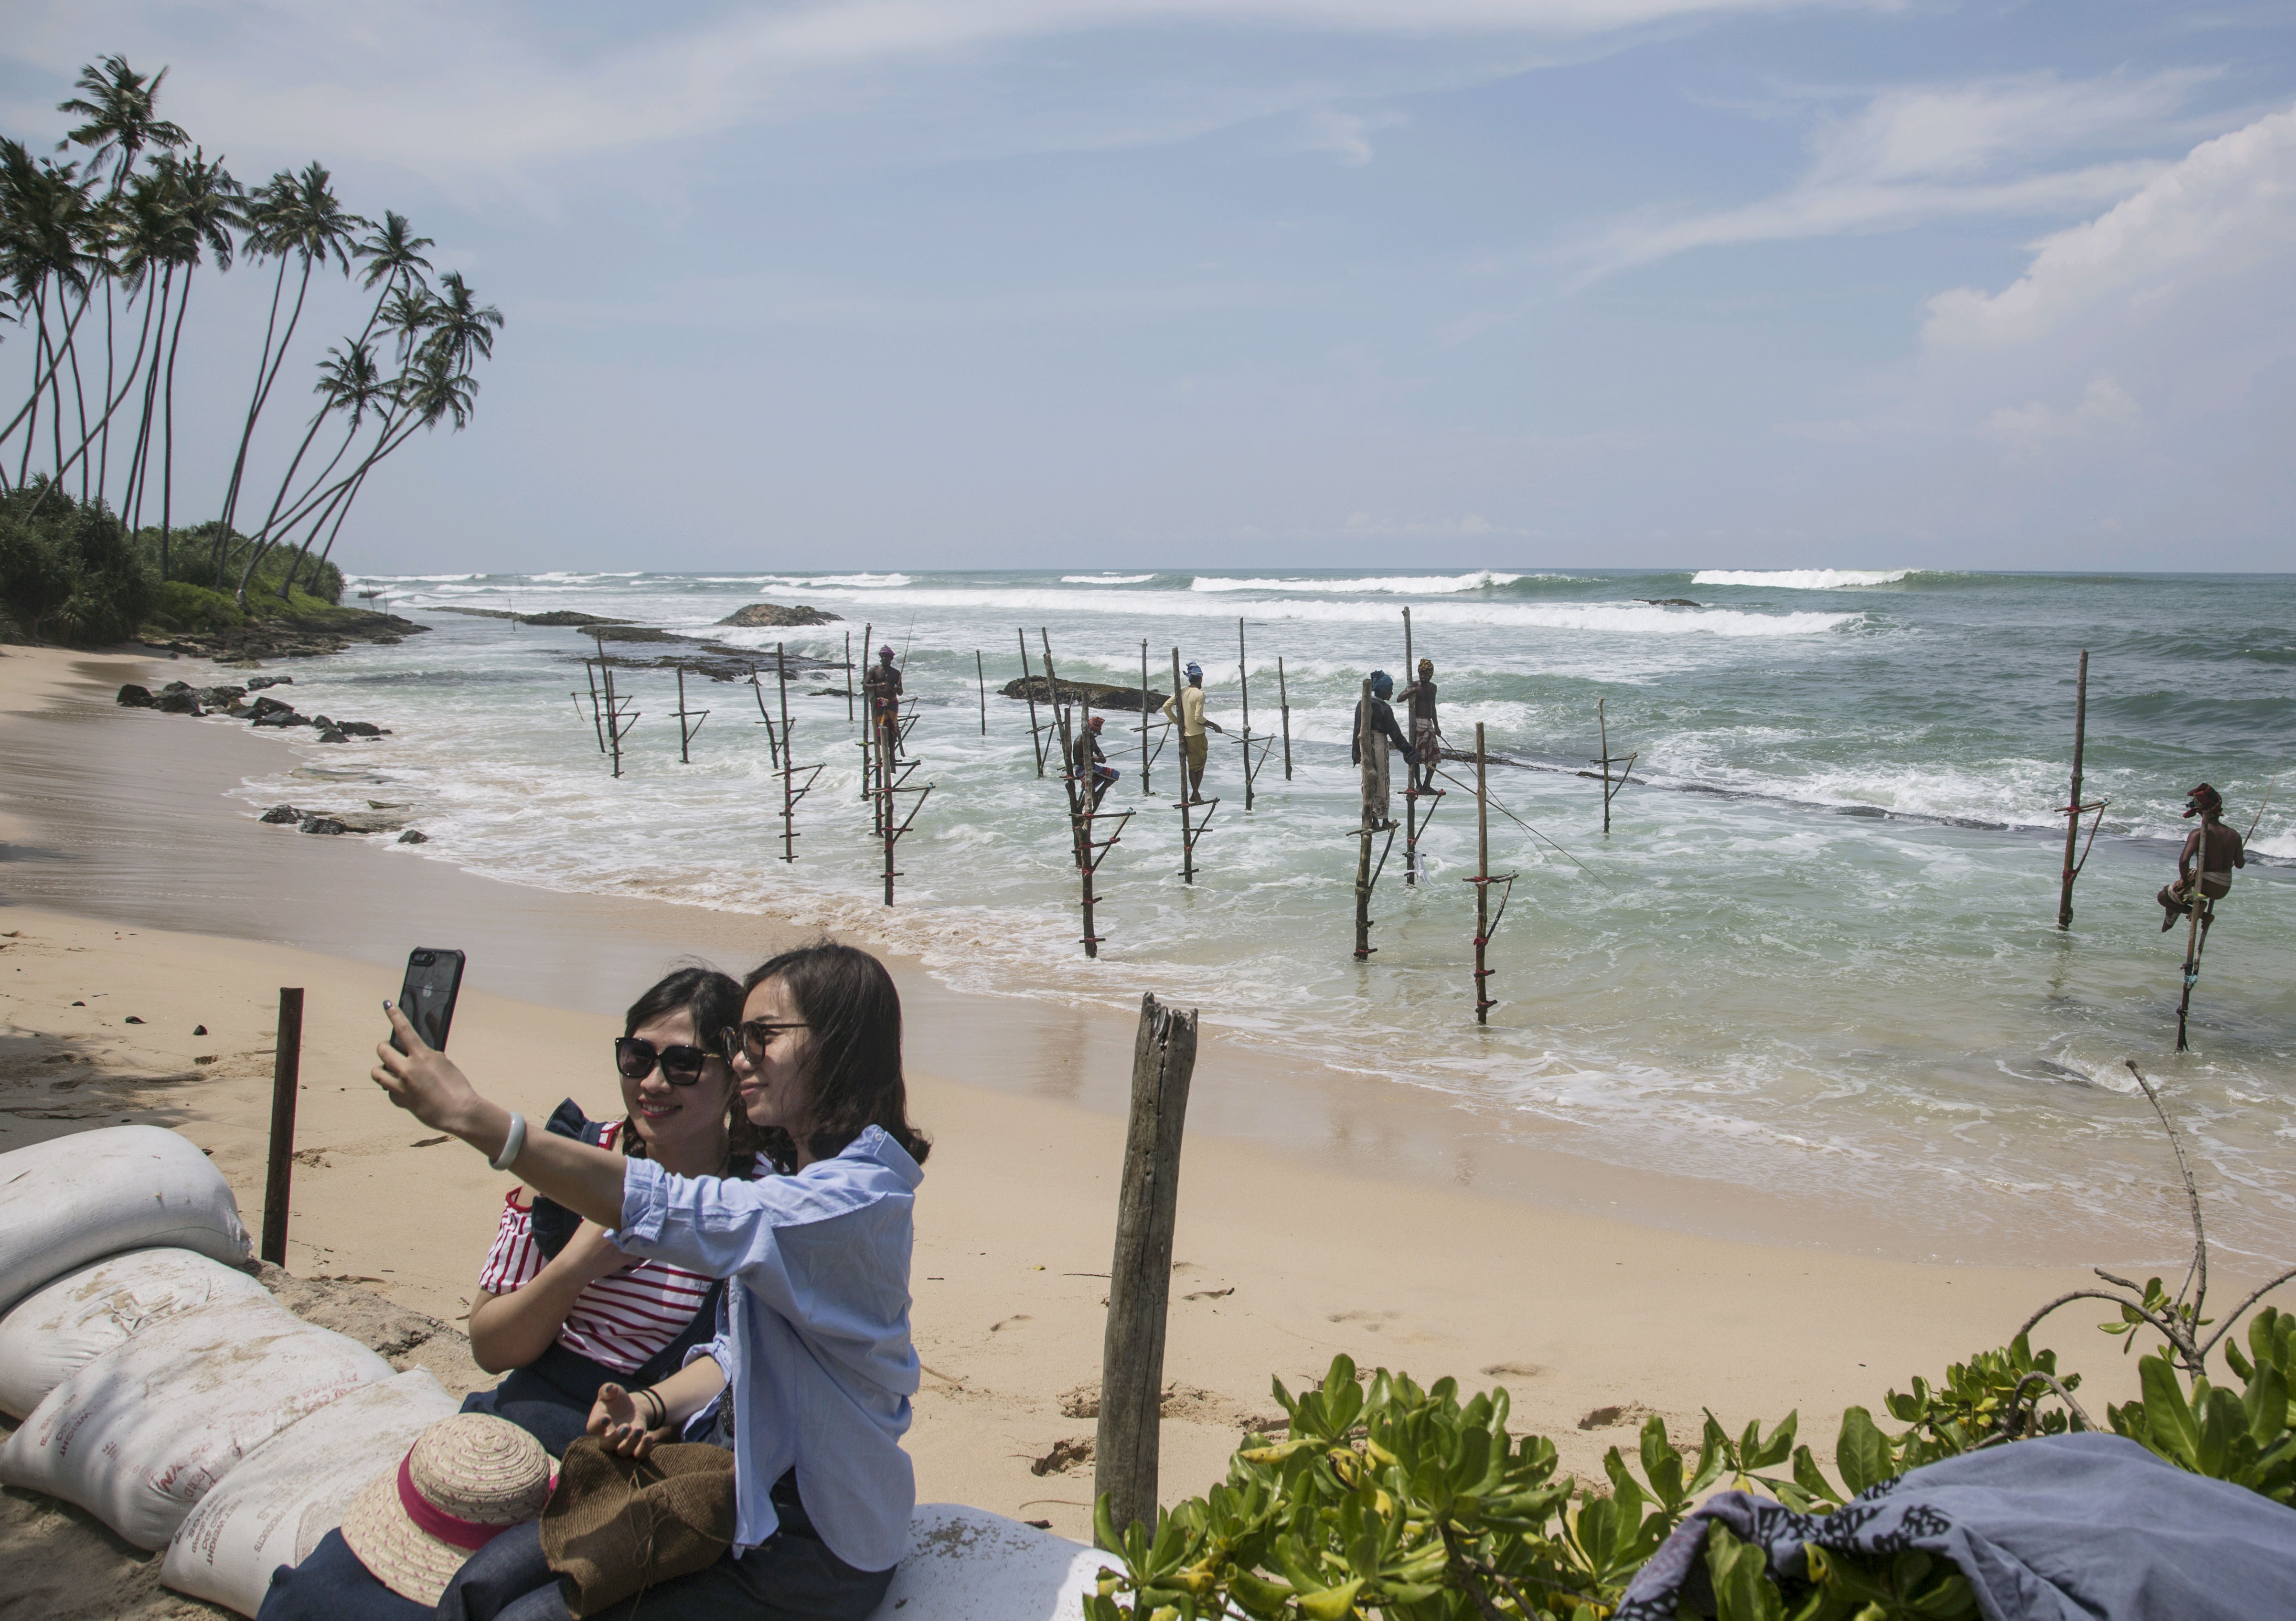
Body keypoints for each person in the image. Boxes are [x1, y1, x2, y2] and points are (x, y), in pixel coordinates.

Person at [374, 942, 931, 1621]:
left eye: (762, 1037)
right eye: (737, 1040)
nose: (741, 1059)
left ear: (836, 1046)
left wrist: (475, 1117)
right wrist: (651, 1403)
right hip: (733, 1482)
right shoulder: (806, 1181)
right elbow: (738, 1350)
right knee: (484, 1587)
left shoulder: (844, 1201)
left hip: (807, 1544)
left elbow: (671, 1205)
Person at [459, 967, 757, 1456]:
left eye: (683, 1064)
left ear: (733, 1075)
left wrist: (656, 1413)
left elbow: (748, 1359)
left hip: (650, 1449)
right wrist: (577, 1265)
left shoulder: (758, 1198)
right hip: (522, 1427)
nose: (653, 1083)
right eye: (638, 1057)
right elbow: (491, 1349)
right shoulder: (570, 1161)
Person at [2158, 783, 2245, 932]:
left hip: (2203, 888)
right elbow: (2240, 864)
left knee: (2163, 897)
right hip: (2223, 888)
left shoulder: (2199, 833)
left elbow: (2184, 861)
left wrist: (2185, 881)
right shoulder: (2234, 835)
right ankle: (2199, 909)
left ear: (2199, 811)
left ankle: (2204, 916)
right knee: (2186, 889)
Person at [1351, 670, 1412, 831]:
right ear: (1383, 690)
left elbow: (1357, 729)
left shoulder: (1362, 704)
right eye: (1390, 689)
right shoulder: (1385, 708)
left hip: (1365, 746)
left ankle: (1372, 820)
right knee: (1382, 782)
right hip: (1379, 744)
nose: (1391, 692)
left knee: (1368, 781)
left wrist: (1356, 752)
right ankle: (1384, 820)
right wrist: (1410, 752)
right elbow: (1396, 734)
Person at [1159, 661, 1226, 805]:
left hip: (1186, 734)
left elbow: (1166, 707)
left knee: (1192, 765)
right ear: (1200, 679)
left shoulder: (1182, 691)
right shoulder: (1200, 694)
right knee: (1200, 765)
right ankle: (1196, 795)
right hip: (1197, 735)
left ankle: (1194, 795)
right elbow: (1198, 718)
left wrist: (1178, 722)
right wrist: (1214, 725)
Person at [1398, 658, 1441, 794]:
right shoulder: (1415, 685)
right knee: (1417, 757)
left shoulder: (1433, 688)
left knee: (1434, 756)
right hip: (1417, 724)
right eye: (1421, 674)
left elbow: (1433, 708)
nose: (1423, 677)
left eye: (1426, 674)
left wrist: (1437, 726)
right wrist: (1412, 691)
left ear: (1431, 675)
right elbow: (1399, 698)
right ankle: (1418, 785)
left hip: (1428, 724)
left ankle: (1427, 785)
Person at [862, 644, 903, 757]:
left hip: (892, 702)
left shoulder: (896, 673)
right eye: (883, 656)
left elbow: (901, 692)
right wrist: (876, 686)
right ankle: (882, 755)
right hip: (880, 703)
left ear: (891, 659)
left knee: (893, 728)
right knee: (880, 728)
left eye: (887, 657)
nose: (885, 659)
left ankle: (892, 755)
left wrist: (898, 689)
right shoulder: (875, 670)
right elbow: (865, 685)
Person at [1072, 714, 1120, 810]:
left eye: (1097, 734)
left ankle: (1097, 794)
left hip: (1093, 767)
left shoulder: (1092, 740)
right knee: (1090, 787)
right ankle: (1080, 809)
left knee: (1115, 774)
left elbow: (1098, 750)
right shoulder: (1079, 741)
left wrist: (1101, 757)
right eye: (1094, 733)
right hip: (1081, 769)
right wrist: (1094, 759)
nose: (1095, 736)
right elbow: (1077, 760)